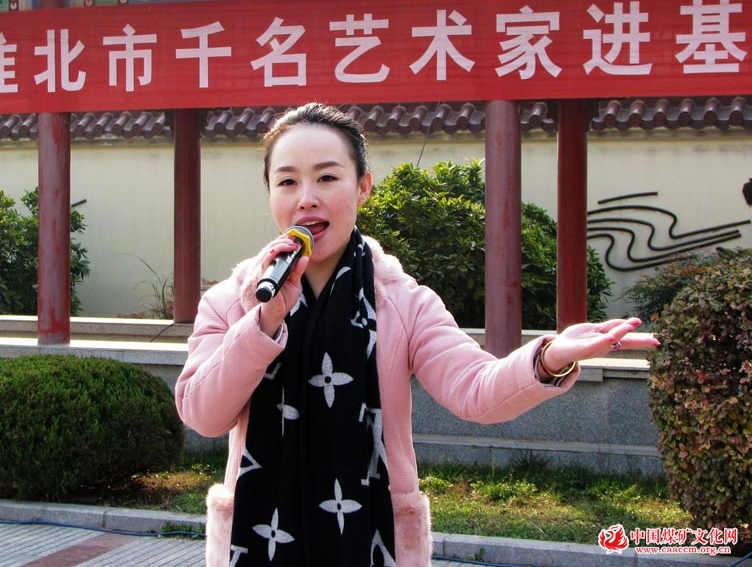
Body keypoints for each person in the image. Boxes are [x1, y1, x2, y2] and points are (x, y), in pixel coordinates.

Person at [175, 102, 659, 567]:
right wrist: (261, 324)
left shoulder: (404, 302)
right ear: (270, 195)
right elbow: (202, 414)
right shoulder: (232, 302)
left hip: (374, 543)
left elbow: (475, 389)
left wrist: (549, 357)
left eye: (327, 177)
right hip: (258, 543)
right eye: (287, 181)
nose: (306, 197)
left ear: (363, 186)